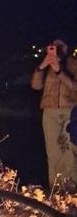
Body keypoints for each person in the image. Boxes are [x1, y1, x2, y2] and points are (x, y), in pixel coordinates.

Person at [31, 39, 77, 187]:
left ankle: (72, 187)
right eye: (54, 46)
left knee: (69, 150)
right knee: (53, 151)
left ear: (67, 47)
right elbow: (36, 86)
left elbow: (74, 87)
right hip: (49, 111)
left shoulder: (73, 63)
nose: (58, 49)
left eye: (61, 46)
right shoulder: (46, 65)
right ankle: (56, 188)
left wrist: (59, 71)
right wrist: (42, 66)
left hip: (69, 110)